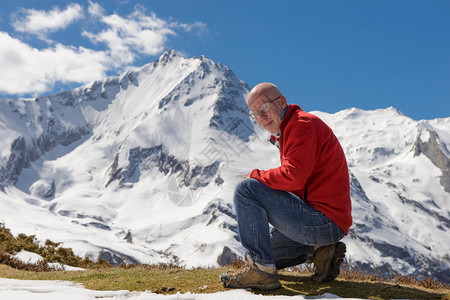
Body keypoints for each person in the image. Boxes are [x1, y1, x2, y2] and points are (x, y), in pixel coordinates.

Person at [220, 82, 352, 290]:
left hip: (324, 220)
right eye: (254, 114)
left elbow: (294, 176)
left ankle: (262, 273)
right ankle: (321, 250)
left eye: (263, 108)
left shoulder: (302, 125)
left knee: (246, 189)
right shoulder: (289, 129)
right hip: (325, 222)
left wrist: (257, 176)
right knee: (254, 253)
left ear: (281, 102)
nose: (261, 118)